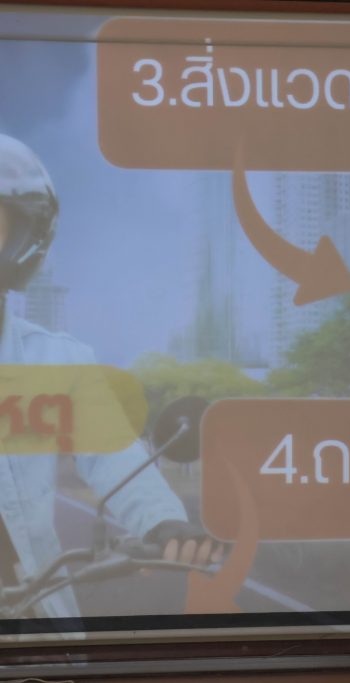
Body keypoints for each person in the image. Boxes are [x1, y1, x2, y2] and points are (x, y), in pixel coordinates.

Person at [0, 133, 222, 620]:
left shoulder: (59, 362)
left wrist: (162, 522)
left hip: (29, 617)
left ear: (21, 237)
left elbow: (114, 457)